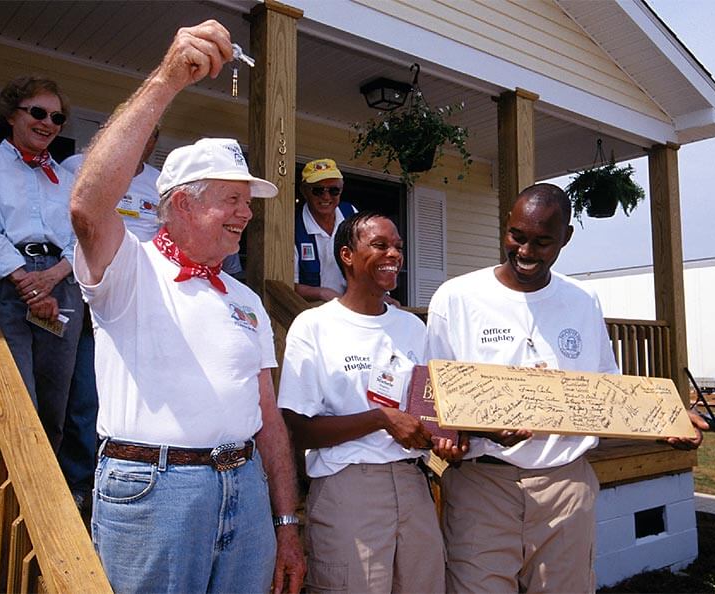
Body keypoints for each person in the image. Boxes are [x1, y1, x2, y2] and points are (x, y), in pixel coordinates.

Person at [69, 20, 305, 593]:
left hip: (246, 490)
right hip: (155, 492)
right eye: (231, 199)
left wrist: (288, 523)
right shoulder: (129, 267)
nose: (245, 215)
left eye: (247, 203)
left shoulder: (245, 297)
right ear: (178, 203)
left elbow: (268, 420)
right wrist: (169, 79)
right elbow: (86, 205)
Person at [427, 183, 707, 593]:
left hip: (566, 484)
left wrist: (665, 416)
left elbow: (604, 387)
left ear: (566, 239)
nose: (525, 252)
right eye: (517, 237)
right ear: (506, 223)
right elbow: (434, 395)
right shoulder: (456, 297)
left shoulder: (582, 299)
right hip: (482, 485)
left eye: (542, 242)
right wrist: (460, 433)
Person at [279, 211, 445, 593]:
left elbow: (430, 409)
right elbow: (299, 428)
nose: (394, 255)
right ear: (347, 256)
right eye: (380, 245)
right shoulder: (315, 326)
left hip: (413, 484)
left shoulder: (412, 328)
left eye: (398, 247)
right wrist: (381, 419)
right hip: (349, 489)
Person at [0, 76, 83, 453]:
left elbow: (83, 238)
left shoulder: (65, 179)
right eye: (38, 112)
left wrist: (56, 274)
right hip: (9, 288)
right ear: (12, 114)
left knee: (54, 400)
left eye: (57, 118)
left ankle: (52, 492)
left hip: (62, 285)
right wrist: (26, 282)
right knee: (16, 395)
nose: (48, 123)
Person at [60, 124, 161, 509]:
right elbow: (65, 224)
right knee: (86, 394)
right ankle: (81, 483)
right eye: (138, 133)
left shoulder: (159, 182)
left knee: (136, 390)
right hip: (87, 292)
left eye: (152, 136)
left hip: (143, 302)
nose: (143, 141)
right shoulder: (77, 167)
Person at [63, 124, 161, 242]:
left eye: (146, 135)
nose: (137, 140)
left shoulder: (159, 181)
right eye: (130, 132)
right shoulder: (77, 166)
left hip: (140, 257)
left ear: (154, 143)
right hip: (84, 254)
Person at [293, 158, 356, 301]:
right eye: (318, 190)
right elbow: (290, 284)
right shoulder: (293, 226)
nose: (326, 196)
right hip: (310, 309)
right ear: (304, 191)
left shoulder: (351, 214)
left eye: (334, 190)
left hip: (351, 306)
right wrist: (322, 293)